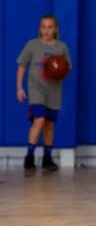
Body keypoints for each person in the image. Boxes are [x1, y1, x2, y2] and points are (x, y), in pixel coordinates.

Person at [16, 14, 72, 176]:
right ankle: (29, 157)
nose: (46, 30)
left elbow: (67, 68)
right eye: (43, 27)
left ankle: (47, 158)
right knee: (39, 120)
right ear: (39, 29)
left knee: (49, 125)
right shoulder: (32, 45)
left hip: (54, 91)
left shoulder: (61, 47)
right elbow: (21, 67)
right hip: (36, 89)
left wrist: (59, 70)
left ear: (56, 29)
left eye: (50, 27)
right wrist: (19, 88)